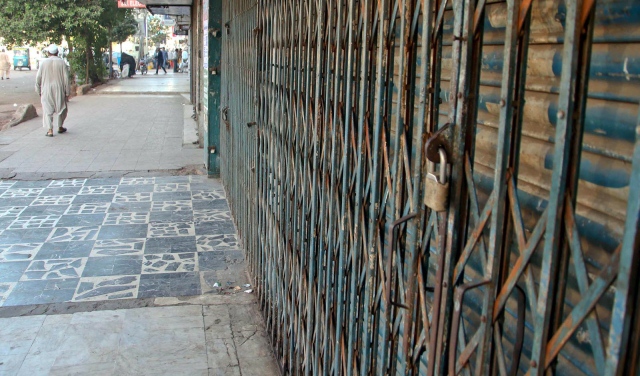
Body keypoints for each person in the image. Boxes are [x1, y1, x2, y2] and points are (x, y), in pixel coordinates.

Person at [35, 44, 70, 137]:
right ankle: (60, 127)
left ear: (48, 53)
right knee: (61, 108)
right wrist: (67, 92)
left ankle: (50, 130)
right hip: (59, 88)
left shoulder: (43, 63)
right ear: (57, 53)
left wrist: (38, 90)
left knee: (47, 109)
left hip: (46, 88)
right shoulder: (62, 62)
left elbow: (38, 77)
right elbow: (66, 78)